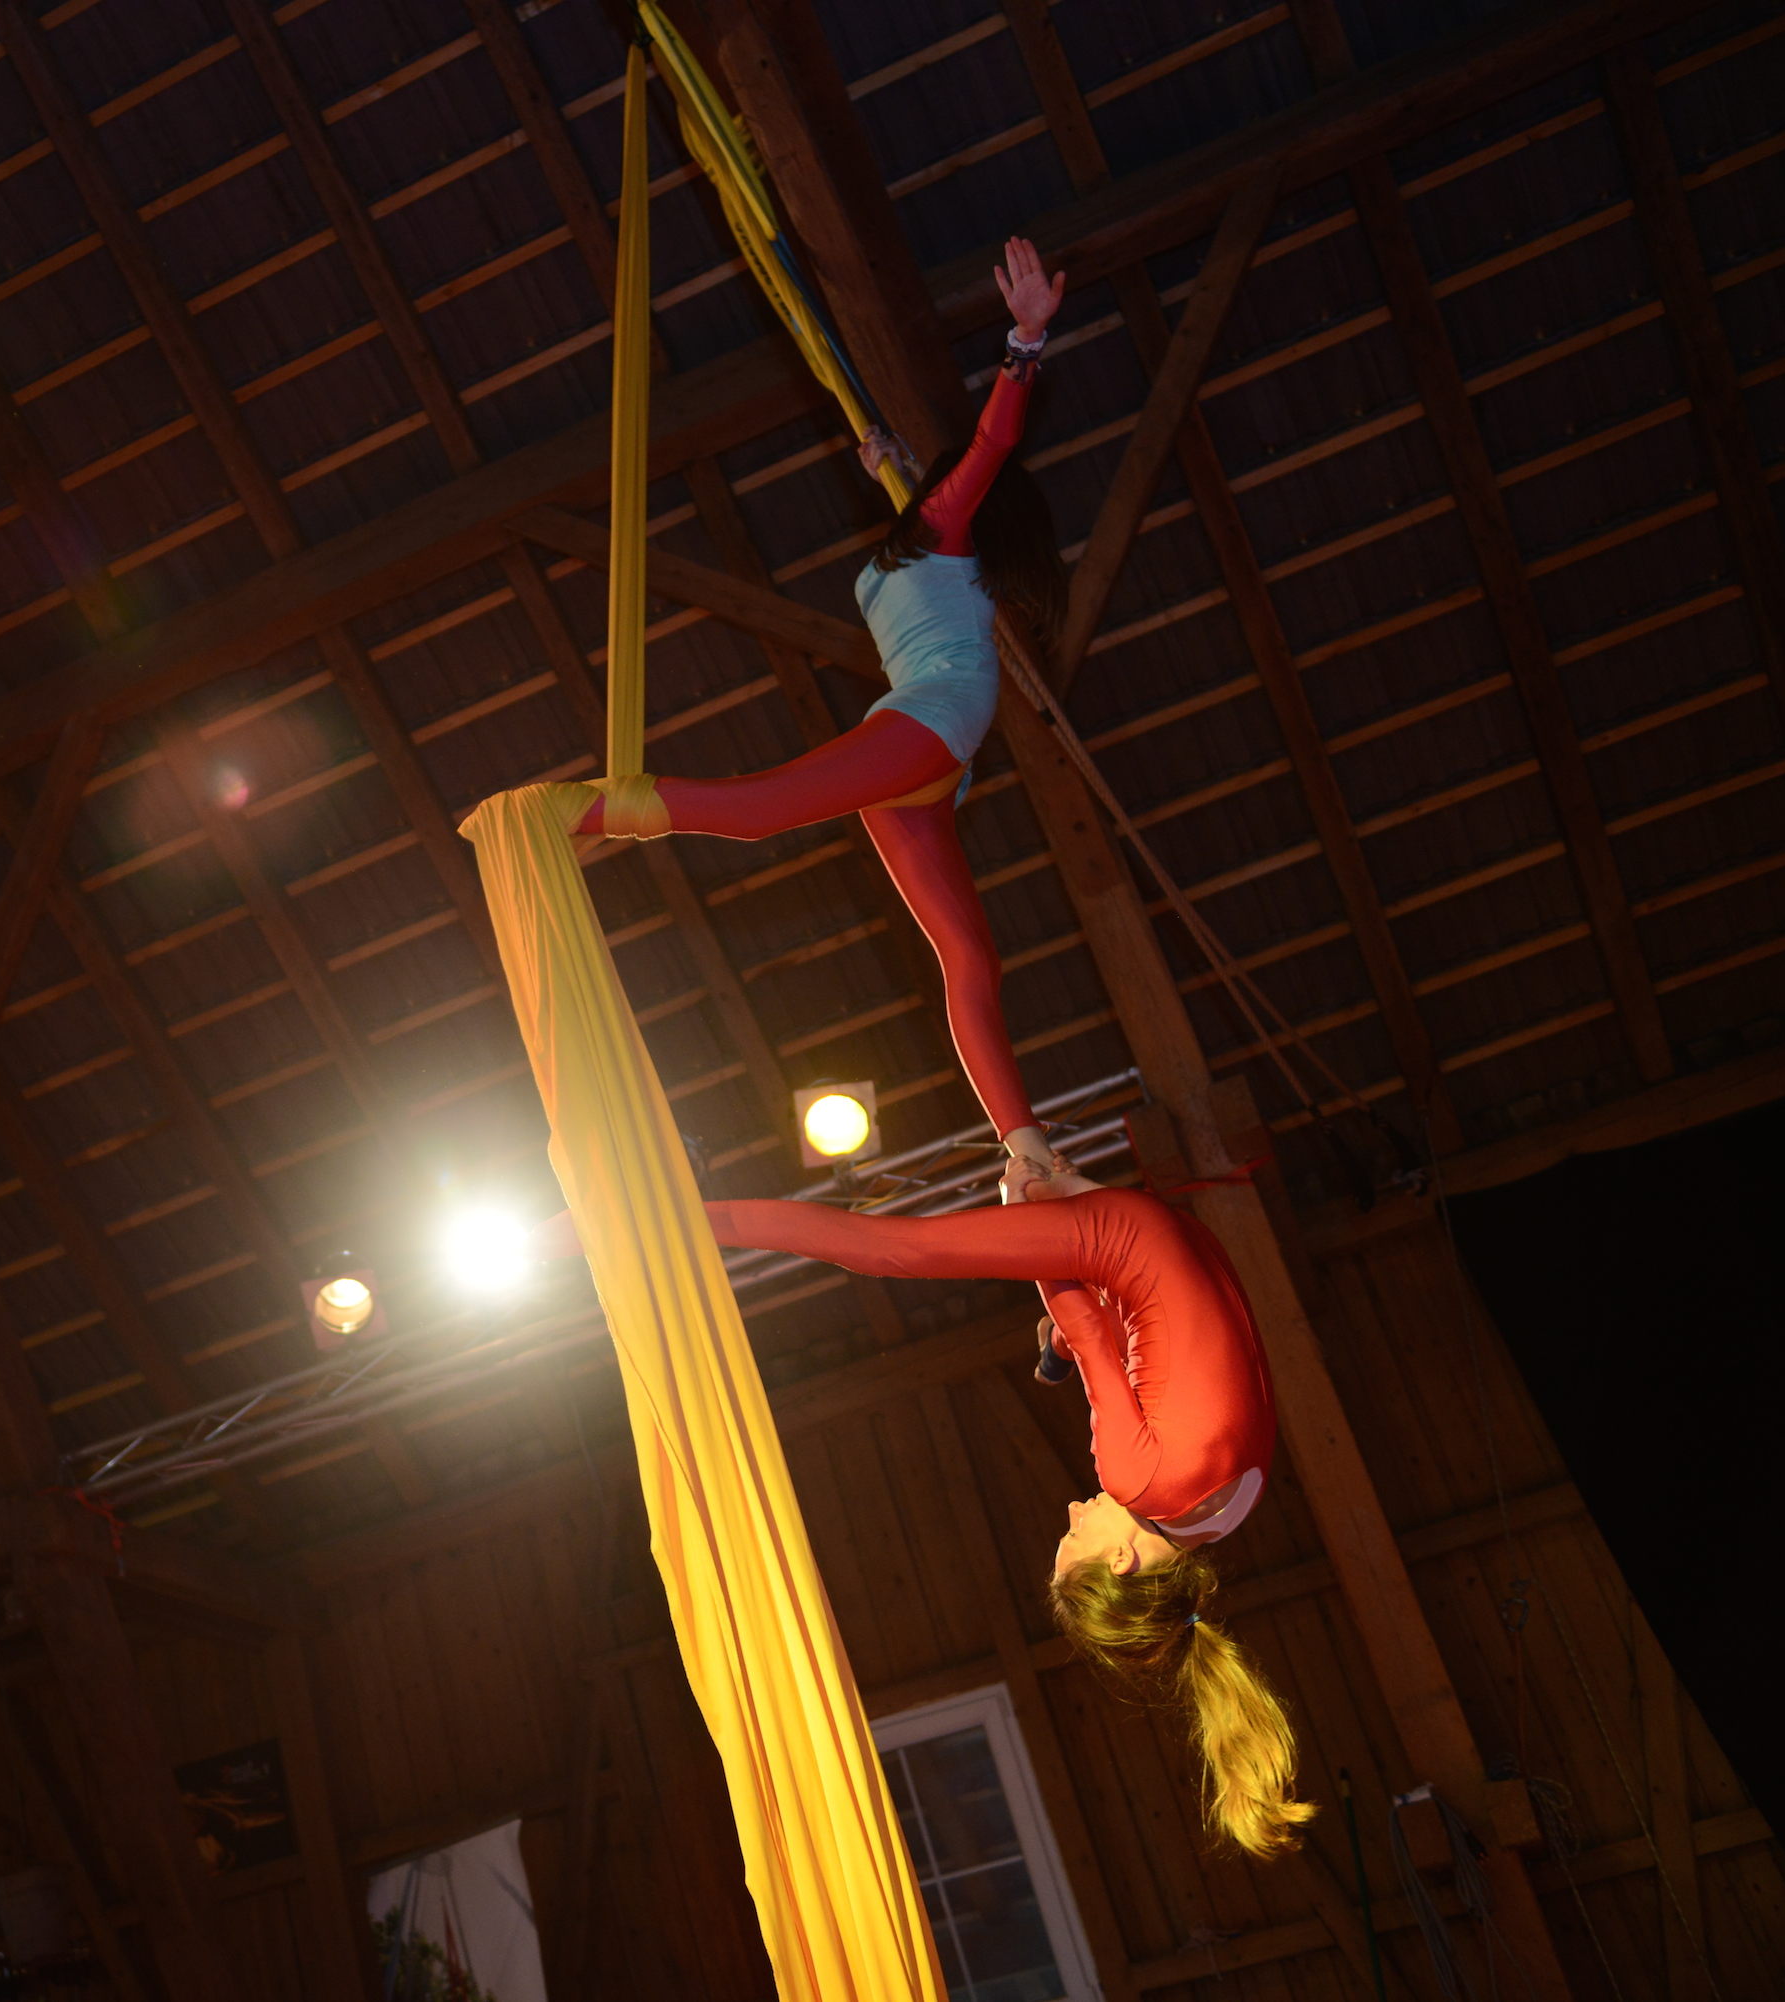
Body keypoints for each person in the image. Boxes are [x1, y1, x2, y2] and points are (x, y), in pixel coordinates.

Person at [531, 1165, 1316, 1856]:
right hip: (1128, 1239)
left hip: (1182, 1241)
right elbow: (1086, 1323)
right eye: (1075, 1537)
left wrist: (1075, 1244)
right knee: (888, 1250)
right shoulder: (1137, 1481)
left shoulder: (1227, 1513)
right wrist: (1028, 1206)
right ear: (1119, 1561)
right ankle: (664, 1219)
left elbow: (1198, 1339)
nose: (1075, 1509)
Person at [577, 238, 1075, 1196]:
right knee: (762, 810)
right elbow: (986, 452)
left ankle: (1023, 1149)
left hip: (930, 754)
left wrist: (895, 457)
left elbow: (959, 475)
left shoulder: (914, 548)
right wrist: (1019, 348)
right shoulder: (935, 535)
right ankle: (591, 812)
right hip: (928, 727)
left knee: (970, 955)